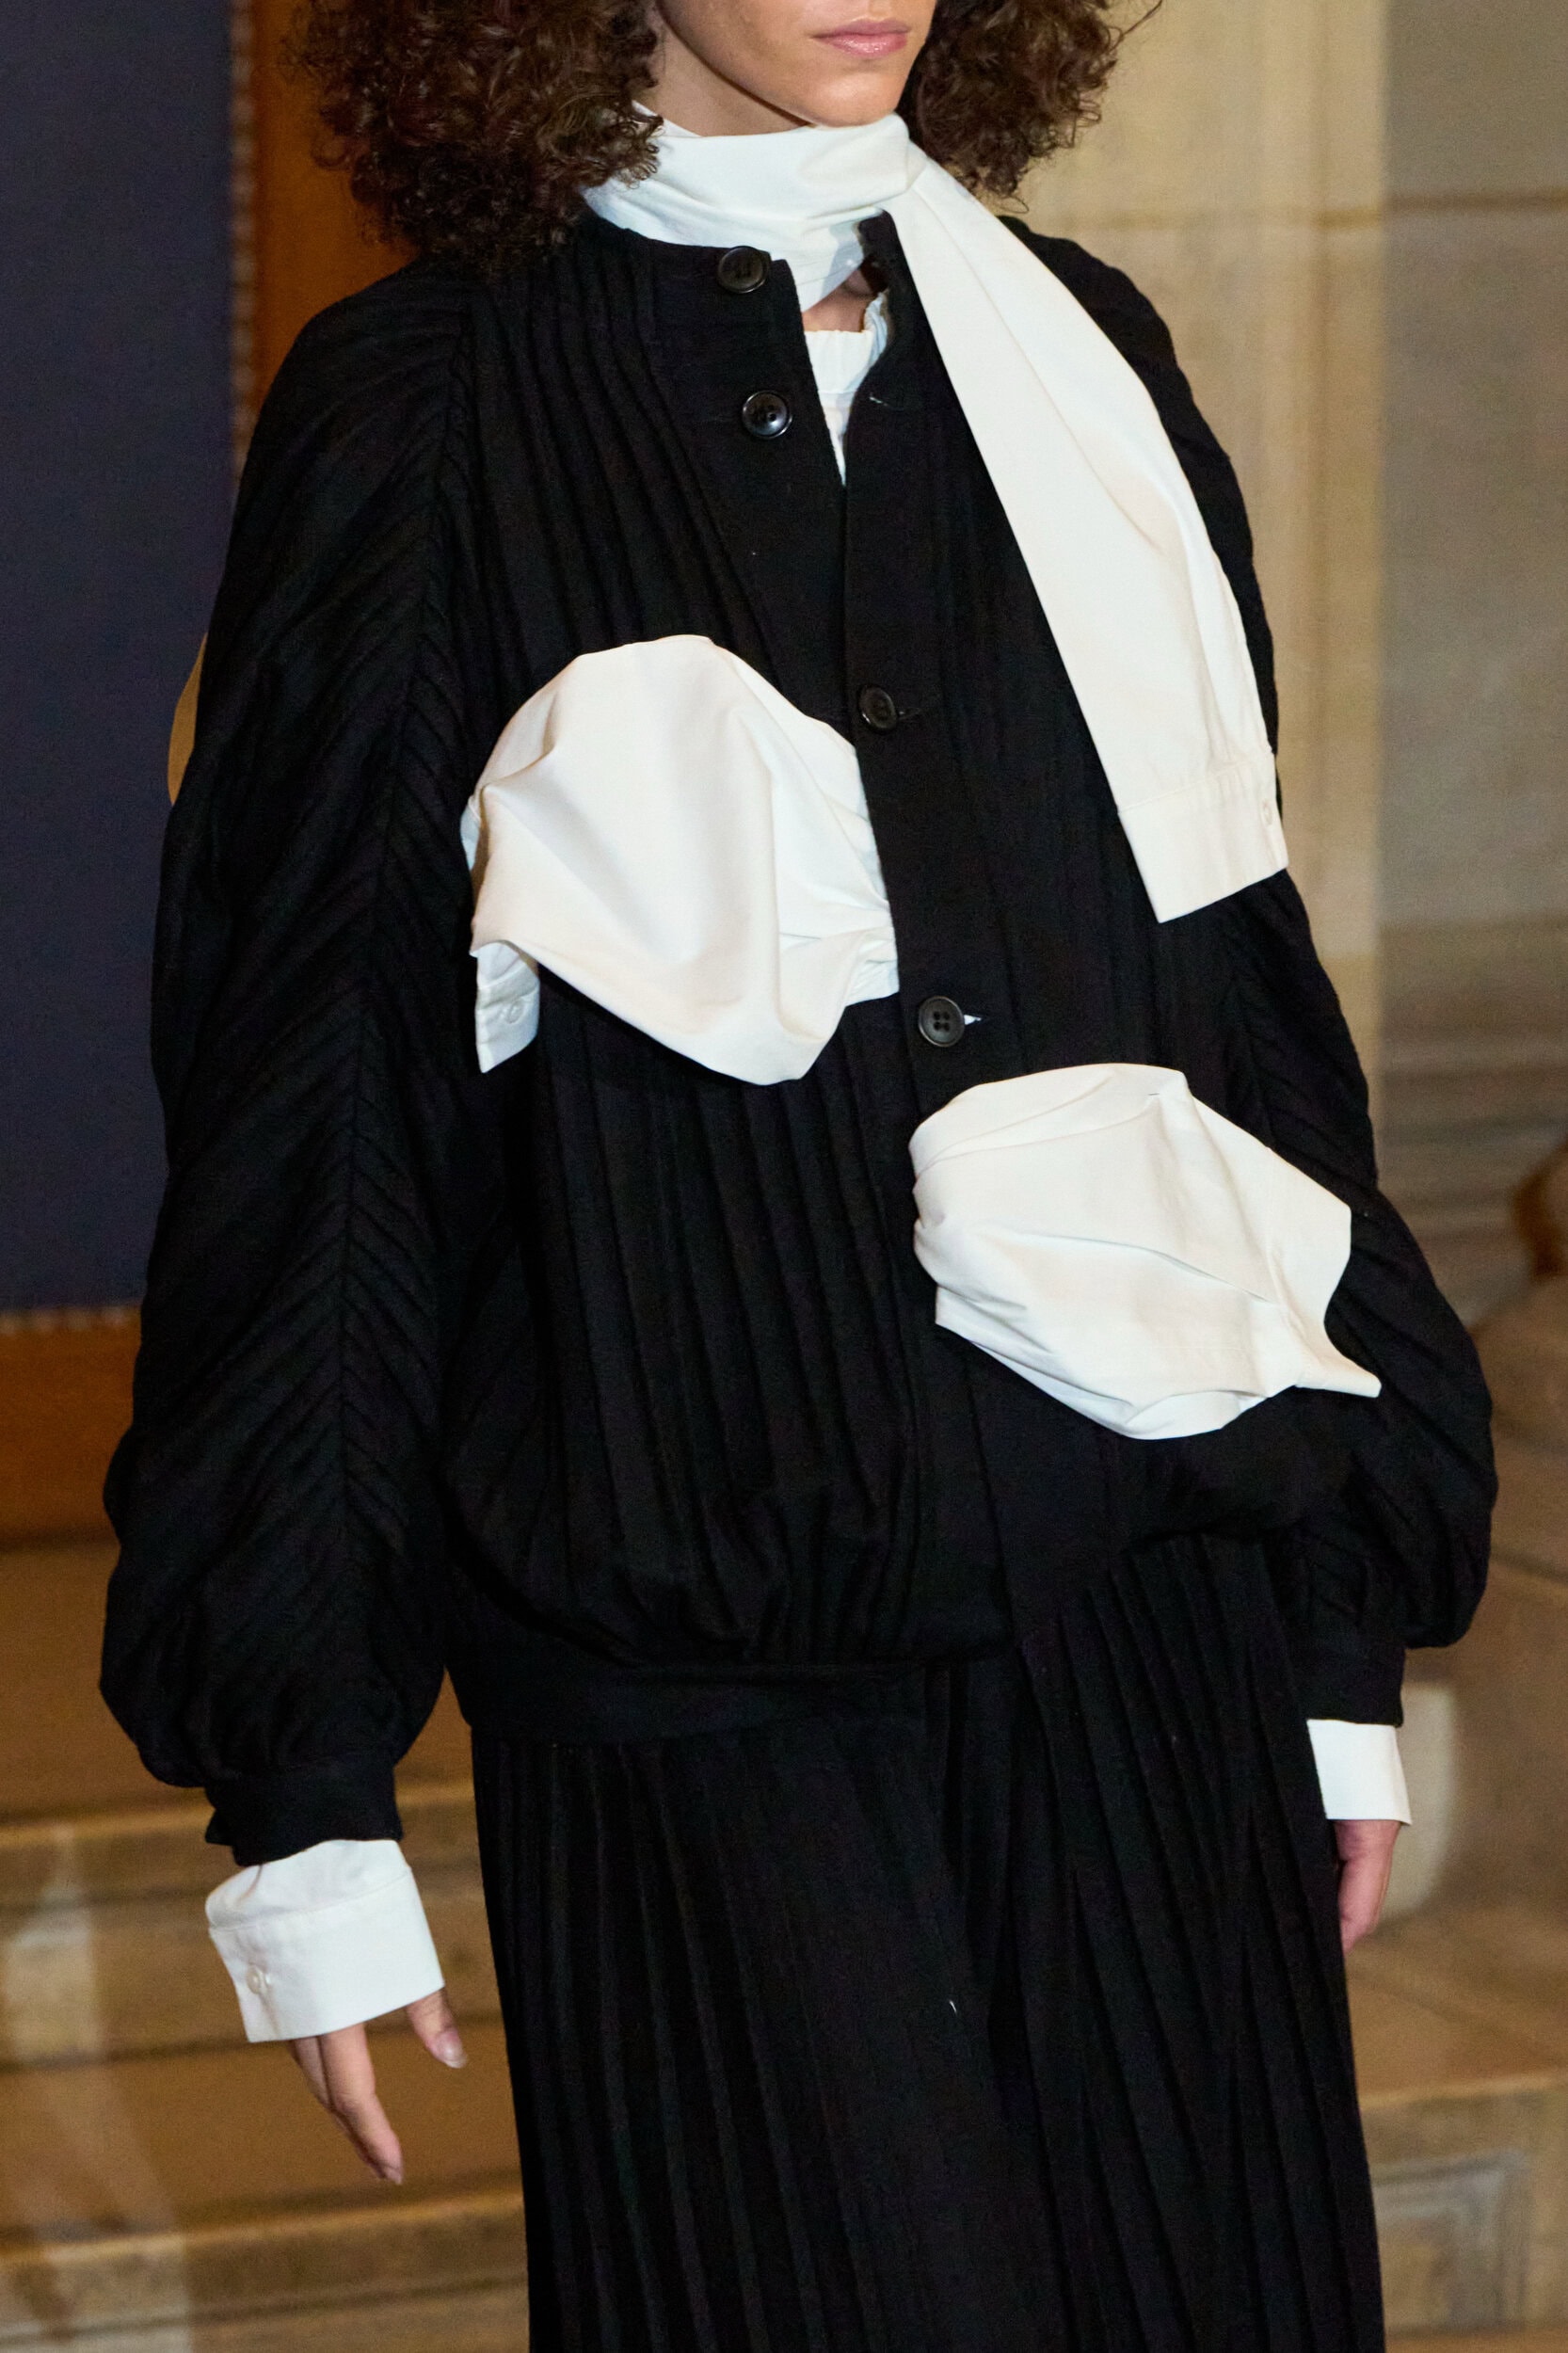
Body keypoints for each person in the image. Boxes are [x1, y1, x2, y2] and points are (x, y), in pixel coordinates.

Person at [104, 2, 1495, 2345]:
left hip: (1145, 1610)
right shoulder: (424, 403)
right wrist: (308, 1781)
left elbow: (1237, 1012)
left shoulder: (1084, 354)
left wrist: (1329, 1638)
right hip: (694, 1654)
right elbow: (315, 1105)